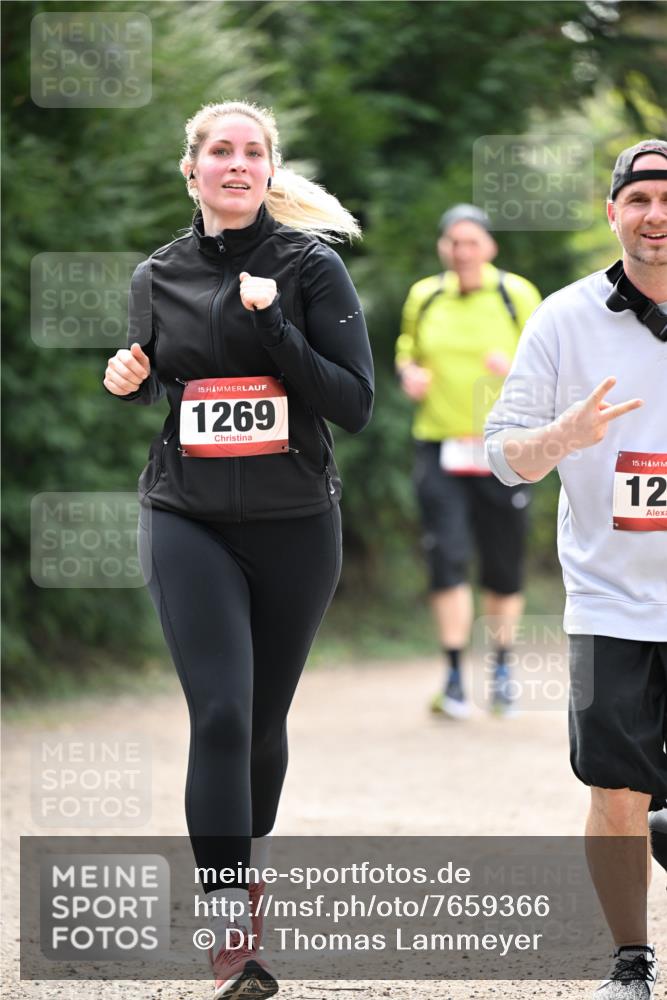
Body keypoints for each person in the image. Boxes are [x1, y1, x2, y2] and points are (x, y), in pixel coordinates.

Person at [103, 99, 374, 1000]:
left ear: (268, 171)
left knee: (260, 722)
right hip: (187, 517)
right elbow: (153, 380)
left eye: (251, 151)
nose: (235, 163)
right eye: (218, 150)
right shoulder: (157, 274)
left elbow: (352, 401)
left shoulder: (310, 265)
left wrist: (273, 327)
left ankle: (243, 872)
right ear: (193, 170)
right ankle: (231, 934)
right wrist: (126, 376)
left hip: (296, 522)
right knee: (219, 712)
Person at [485, 139, 667, 998]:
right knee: (614, 787)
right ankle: (629, 961)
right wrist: (564, 436)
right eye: (638, 200)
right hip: (609, 601)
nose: (655, 215)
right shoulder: (562, 319)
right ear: (611, 213)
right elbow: (502, 456)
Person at [395, 205, 541, 719]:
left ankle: (501, 670)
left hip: (506, 446)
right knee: (448, 556)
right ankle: (454, 675)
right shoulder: (425, 295)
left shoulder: (516, 294)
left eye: (471, 241)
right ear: (443, 248)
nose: (462, 251)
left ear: (490, 247)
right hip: (440, 446)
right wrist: (409, 373)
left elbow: (550, 358)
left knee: (503, 565)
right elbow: (406, 350)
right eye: (453, 242)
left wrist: (516, 368)